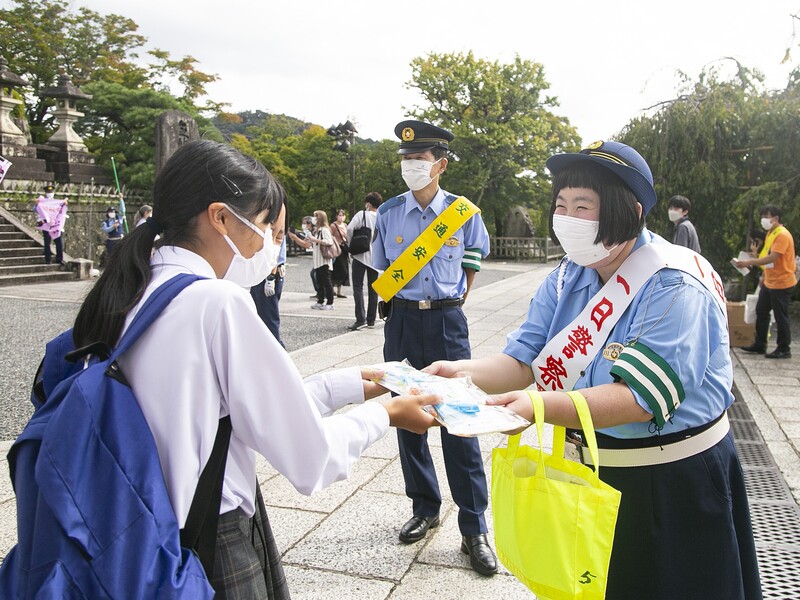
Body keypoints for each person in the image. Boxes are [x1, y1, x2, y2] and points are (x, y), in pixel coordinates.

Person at [71, 139, 437, 598]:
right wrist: (389, 414)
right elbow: (309, 456)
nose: (270, 244)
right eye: (266, 226)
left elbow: (234, 409)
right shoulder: (216, 302)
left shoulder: (139, 284)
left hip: (135, 525)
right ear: (221, 217)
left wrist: (351, 382)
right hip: (207, 535)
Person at [426, 140, 761, 599]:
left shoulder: (676, 282)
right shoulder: (569, 274)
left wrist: (537, 406)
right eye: (560, 205)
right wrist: (457, 372)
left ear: (630, 210)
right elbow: (522, 360)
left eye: (584, 206)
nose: (566, 218)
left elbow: (637, 400)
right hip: (592, 471)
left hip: (671, 477)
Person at [371, 119, 496, 576]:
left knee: (459, 419)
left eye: (418, 160)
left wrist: (454, 298)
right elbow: (383, 270)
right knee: (409, 418)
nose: (410, 167)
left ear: (439, 164)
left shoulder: (464, 213)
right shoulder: (388, 212)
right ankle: (424, 506)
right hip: (402, 321)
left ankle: (474, 527)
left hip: (446, 320)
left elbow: (472, 260)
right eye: (405, 159)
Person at [735, 204, 797, 358]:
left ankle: (784, 348)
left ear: (775, 218)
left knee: (780, 315)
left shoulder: (782, 235)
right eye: (762, 216)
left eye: (766, 216)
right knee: (761, 311)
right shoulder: (771, 233)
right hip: (770, 281)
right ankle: (760, 344)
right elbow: (767, 259)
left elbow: (773, 257)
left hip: (782, 282)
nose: (763, 220)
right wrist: (755, 260)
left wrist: (749, 263)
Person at [250, 199, 287, 347]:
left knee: (268, 316)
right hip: (267, 271)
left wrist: (271, 276)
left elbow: (275, 249)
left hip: (271, 272)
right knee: (259, 313)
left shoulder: (274, 224)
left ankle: (277, 350)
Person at [347, 192, 382, 330]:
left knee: (358, 287)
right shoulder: (381, 217)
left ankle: (360, 318)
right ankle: (371, 319)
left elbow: (349, 228)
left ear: (368, 203)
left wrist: (351, 245)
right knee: (373, 289)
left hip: (360, 255)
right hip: (376, 257)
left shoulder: (362, 215)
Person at [291, 210, 336, 310]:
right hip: (318, 260)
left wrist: (315, 240)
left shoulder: (324, 230)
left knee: (327, 282)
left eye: (316, 217)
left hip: (324, 260)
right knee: (319, 281)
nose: (314, 219)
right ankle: (320, 301)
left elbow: (329, 242)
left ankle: (330, 302)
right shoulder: (317, 230)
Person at [34, 184, 67, 265]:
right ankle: (48, 259)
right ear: (45, 192)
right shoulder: (42, 201)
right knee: (47, 242)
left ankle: (59, 259)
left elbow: (61, 211)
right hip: (46, 225)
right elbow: (35, 209)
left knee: (58, 242)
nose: (50, 193)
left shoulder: (56, 202)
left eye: (51, 191)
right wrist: (37, 204)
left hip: (55, 225)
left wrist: (64, 204)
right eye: (48, 192)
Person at [330, 208, 350, 298]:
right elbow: (330, 236)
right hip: (336, 249)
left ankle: (339, 290)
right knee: (336, 269)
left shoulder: (345, 225)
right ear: (337, 216)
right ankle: (332, 289)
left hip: (344, 249)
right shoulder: (333, 226)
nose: (341, 217)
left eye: (343, 215)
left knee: (344, 270)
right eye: (340, 215)